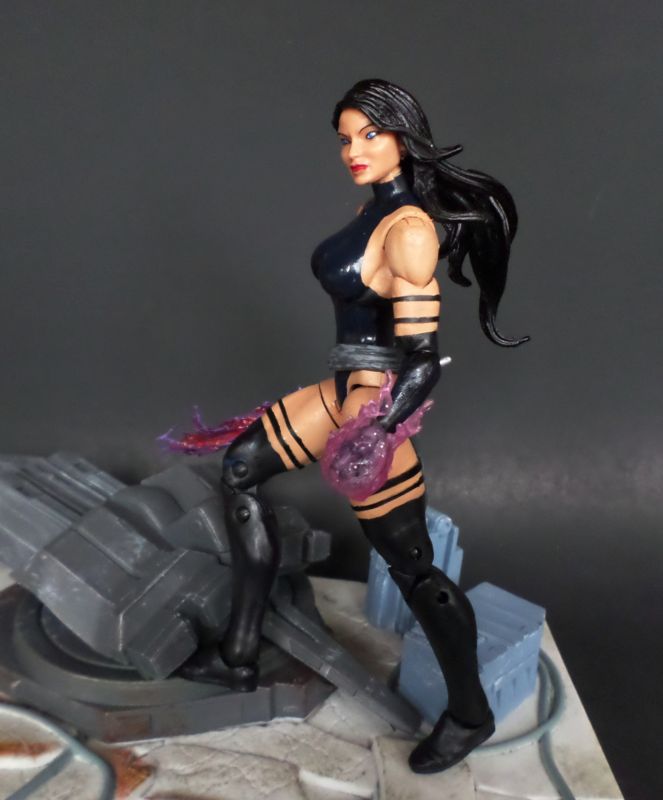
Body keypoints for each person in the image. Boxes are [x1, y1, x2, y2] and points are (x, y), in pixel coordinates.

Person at [180, 78, 528, 774]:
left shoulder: (409, 231)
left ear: (404, 136)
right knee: (240, 469)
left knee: (412, 565)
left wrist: (378, 430)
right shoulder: (373, 211)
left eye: (369, 134)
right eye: (344, 138)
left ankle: (469, 714)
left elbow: (422, 362)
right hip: (341, 387)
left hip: (373, 402)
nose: (353, 150)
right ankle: (239, 651)